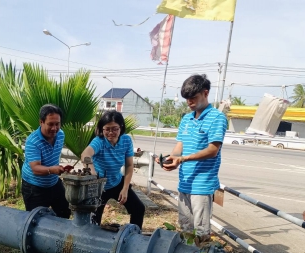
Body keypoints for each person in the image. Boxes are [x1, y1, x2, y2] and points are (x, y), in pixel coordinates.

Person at [158, 74, 227, 237]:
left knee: (201, 231)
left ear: (205, 93)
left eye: (193, 98)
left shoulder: (217, 118)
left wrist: (182, 159)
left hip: (202, 185)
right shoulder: (187, 119)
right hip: (185, 182)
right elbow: (180, 146)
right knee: (186, 228)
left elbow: (213, 150)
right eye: (187, 99)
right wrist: (170, 159)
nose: (189, 102)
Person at [81, 110, 145, 229]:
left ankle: (134, 239)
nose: (111, 133)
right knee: (94, 220)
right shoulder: (99, 141)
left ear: (121, 127)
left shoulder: (126, 140)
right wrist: (92, 172)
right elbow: (85, 154)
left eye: (115, 129)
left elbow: (129, 165)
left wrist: (125, 188)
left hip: (116, 182)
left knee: (139, 208)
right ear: (102, 129)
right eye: (107, 129)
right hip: (99, 185)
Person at [21, 104, 71, 219]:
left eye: (57, 124)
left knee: (64, 213)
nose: (54, 128)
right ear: (41, 122)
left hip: (53, 182)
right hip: (34, 187)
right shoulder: (33, 141)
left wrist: (58, 169)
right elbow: (35, 169)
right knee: (36, 221)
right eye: (50, 124)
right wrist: (53, 169)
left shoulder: (61, 134)